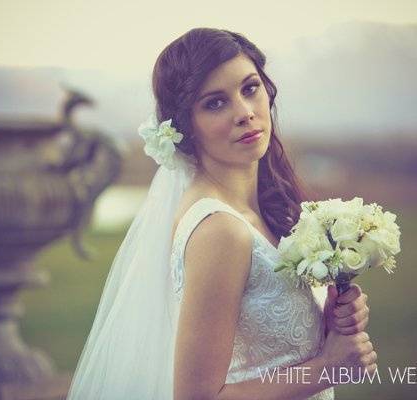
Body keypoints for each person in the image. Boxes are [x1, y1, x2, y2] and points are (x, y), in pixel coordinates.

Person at [67, 28, 375, 400]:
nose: (245, 113)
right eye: (215, 103)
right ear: (184, 126)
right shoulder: (219, 230)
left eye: (250, 89)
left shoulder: (255, 211)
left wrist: (326, 318)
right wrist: (325, 369)